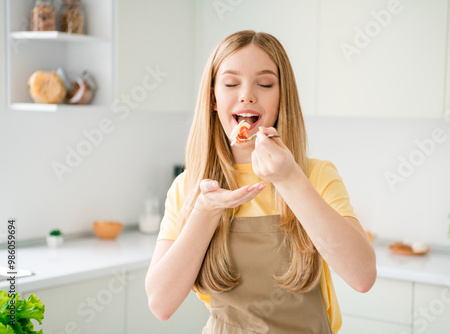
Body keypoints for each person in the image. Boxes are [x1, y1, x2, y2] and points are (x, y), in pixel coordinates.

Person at [145, 30, 376, 334]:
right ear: (214, 98)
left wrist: (289, 178)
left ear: (282, 98)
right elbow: (161, 304)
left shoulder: (315, 175)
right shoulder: (189, 187)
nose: (247, 95)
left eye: (265, 84)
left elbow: (362, 276)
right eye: (231, 83)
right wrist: (204, 212)